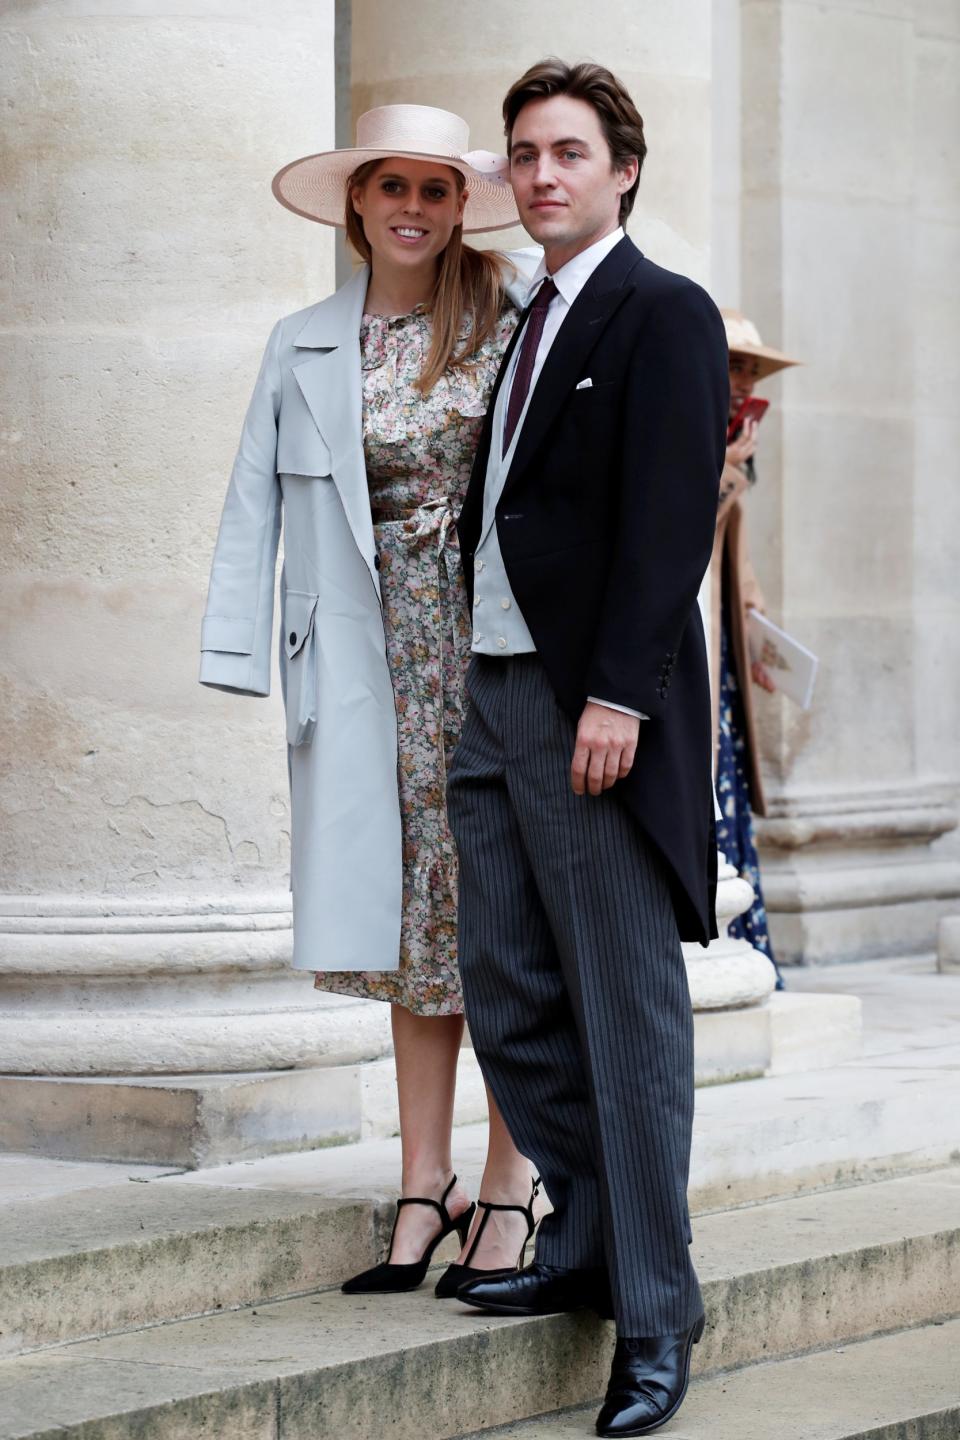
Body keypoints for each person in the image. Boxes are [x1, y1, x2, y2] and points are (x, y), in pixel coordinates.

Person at [199, 105, 541, 1300]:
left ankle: (510, 1183)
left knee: (501, 917)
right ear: (356, 204)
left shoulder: (508, 321)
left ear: (460, 207)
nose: (410, 206)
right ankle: (419, 1185)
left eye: (435, 189)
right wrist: (237, 653)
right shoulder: (300, 340)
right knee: (412, 933)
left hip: (492, 654)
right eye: (389, 185)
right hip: (362, 659)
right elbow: (254, 504)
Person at [446, 61, 728, 1438]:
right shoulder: (528, 318)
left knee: (627, 1020)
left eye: (569, 151)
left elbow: (673, 518)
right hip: (492, 696)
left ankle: (657, 1324)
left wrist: (622, 696)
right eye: (524, 154)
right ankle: (589, 1237)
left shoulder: (663, 310)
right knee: (503, 987)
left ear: (623, 169)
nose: (542, 173)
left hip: (586, 708)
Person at [711, 310, 800, 979]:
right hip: (686, 654)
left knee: (730, 787)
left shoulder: (733, 443)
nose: (743, 382)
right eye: (734, 365)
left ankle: (747, 951)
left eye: (750, 370)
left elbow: (737, 568)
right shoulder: (701, 439)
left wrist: (757, 632)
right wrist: (726, 471)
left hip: (722, 656)